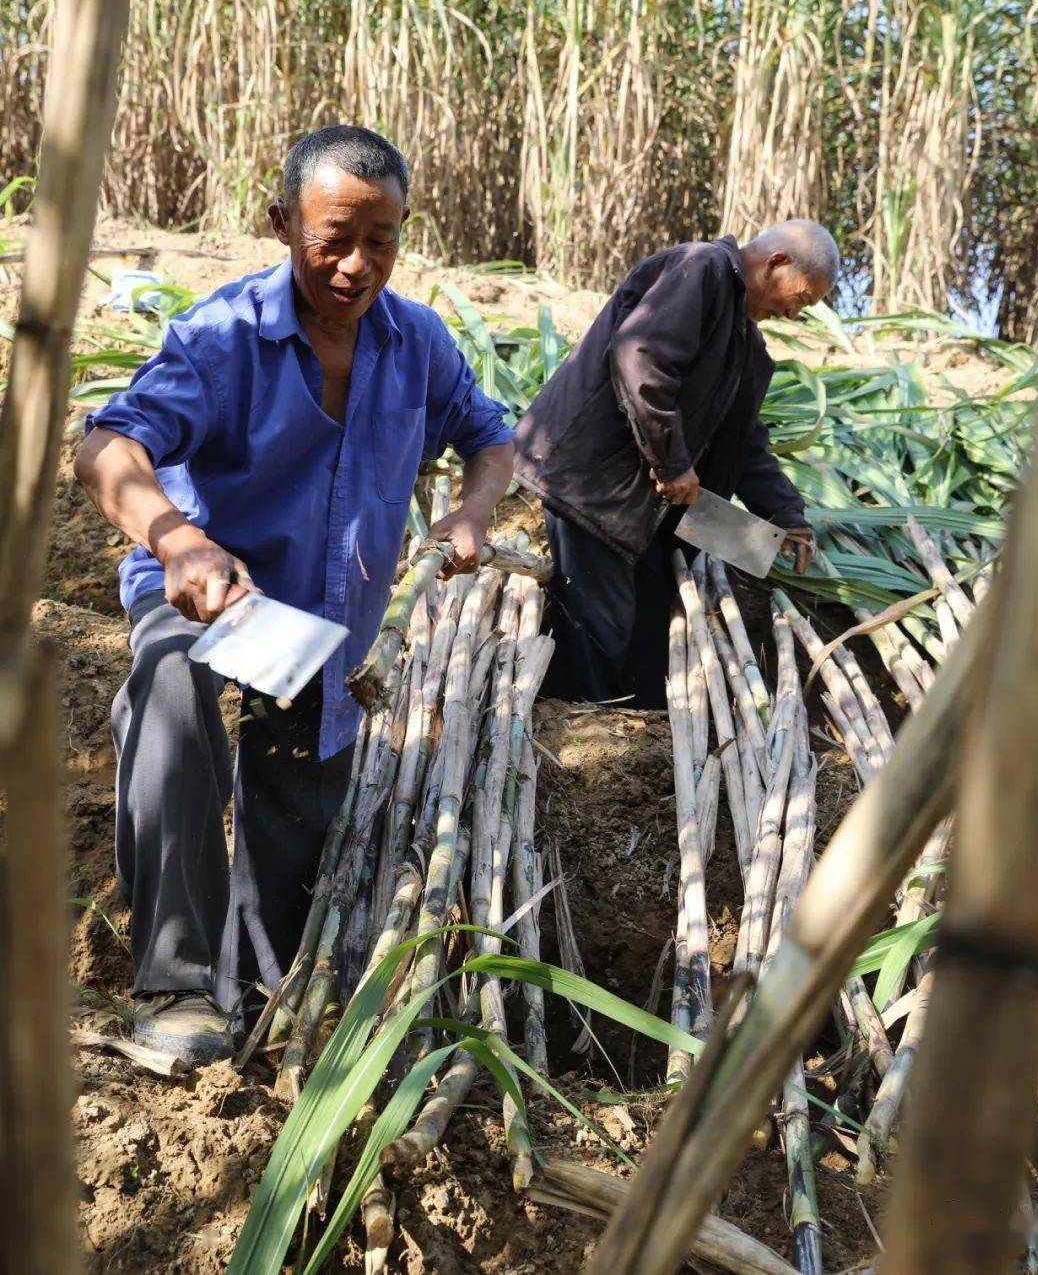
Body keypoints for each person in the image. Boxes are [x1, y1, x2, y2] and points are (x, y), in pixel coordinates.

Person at [74, 125, 514, 1064]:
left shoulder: (418, 344)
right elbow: (106, 445)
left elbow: (491, 436)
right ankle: (176, 981)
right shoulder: (222, 336)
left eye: (382, 240)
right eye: (333, 238)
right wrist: (179, 540)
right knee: (171, 699)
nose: (357, 266)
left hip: (324, 623)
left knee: (296, 791)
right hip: (206, 592)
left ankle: (260, 989)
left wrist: (472, 513)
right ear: (282, 222)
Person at [513, 221, 839, 708]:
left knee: (647, 641)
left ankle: (643, 735)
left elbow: (745, 442)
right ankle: (588, 746)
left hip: (646, 510)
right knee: (601, 631)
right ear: (776, 262)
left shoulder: (747, 348)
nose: (795, 312)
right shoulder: (702, 268)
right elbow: (640, 356)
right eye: (803, 297)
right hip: (591, 485)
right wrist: (671, 464)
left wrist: (787, 516)